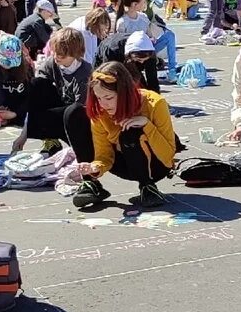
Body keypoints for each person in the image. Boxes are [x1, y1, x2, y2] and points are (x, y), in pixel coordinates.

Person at [67, 61, 175, 210]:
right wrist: (94, 167)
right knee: (74, 113)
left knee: (130, 131)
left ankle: (147, 187)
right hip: (124, 163)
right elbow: (104, 154)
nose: (103, 104)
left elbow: (168, 157)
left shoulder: (155, 103)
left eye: (109, 98)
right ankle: (91, 183)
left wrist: (147, 125)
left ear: (124, 93)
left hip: (155, 165)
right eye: (99, 98)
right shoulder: (101, 111)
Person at [12, 25, 92, 154]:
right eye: (55, 52)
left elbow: (81, 110)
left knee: (73, 111)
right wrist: (23, 136)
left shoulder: (85, 73)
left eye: (61, 55)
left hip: (77, 118)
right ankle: (51, 141)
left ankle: (77, 147)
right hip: (61, 107)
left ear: (74, 54)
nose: (56, 57)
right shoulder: (51, 64)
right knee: (37, 84)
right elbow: (34, 100)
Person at [98, 28, 161, 93]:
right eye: (139, 59)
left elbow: (152, 79)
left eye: (144, 60)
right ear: (130, 54)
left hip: (131, 60)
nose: (142, 62)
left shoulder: (150, 54)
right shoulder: (113, 50)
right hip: (110, 57)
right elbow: (109, 78)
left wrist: (156, 98)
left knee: (142, 88)